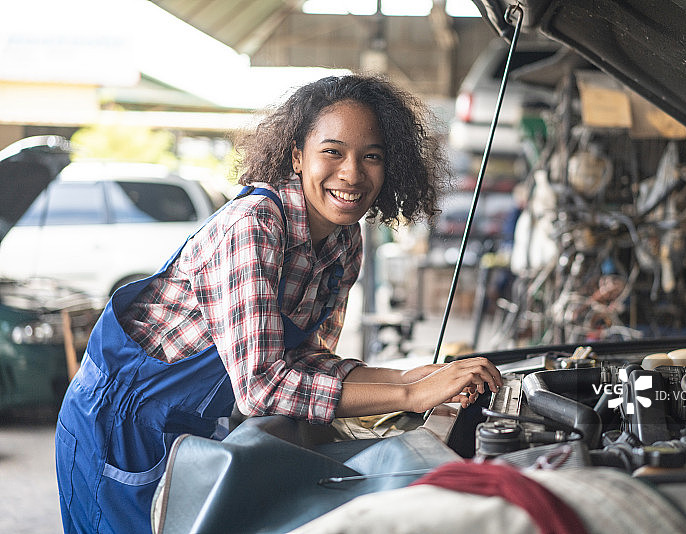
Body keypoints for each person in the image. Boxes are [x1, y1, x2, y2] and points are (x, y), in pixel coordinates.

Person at [55, 74, 502, 533]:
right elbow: (261, 388)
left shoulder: (345, 240)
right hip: (122, 427)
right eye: (333, 152)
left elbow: (304, 360)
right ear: (296, 156)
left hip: (191, 425)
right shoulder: (253, 228)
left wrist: (409, 376)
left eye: (372, 156)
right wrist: (409, 395)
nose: (352, 173)